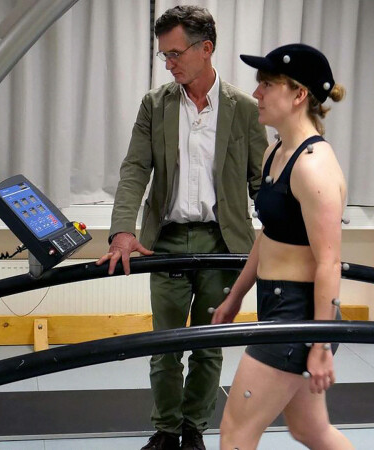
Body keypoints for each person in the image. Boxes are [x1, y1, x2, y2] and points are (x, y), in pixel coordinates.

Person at [96, 5, 268, 450]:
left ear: (206, 48)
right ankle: (166, 429)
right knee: (165, 346)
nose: (169, 63)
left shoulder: (245, 109)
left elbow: (260, 182)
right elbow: (135, 169)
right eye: (164, 55)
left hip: (222, 241)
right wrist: (122, 231)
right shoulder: (155, 105)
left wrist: (284, 236)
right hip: (167, 242)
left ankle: (193, 430)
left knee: (208, 346)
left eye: (175, 54)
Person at [211, 43, 354, 450]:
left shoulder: (313, 167)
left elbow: (329, 262)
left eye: (267, 84)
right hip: (277, 303)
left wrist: (321, 344)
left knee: (235, 433)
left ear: (298, 94)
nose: (256, 93)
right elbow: (269, 235)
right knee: (310, 430)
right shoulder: (276, 152)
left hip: (299, 314)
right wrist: (235, 296)